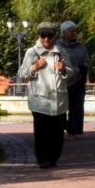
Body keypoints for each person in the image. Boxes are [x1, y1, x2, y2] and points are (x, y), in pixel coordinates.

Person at [13, 25, 70, 169]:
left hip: (59, 100)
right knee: (42, 133)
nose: (46, 39)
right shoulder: (32, 52)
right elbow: (22, 74)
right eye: (43, 36)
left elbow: (72, 71)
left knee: (57, 133)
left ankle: (53, 159)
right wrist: (34, 67)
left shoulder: (61, 52)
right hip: (40, 100)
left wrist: (64, 69)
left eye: (49, 36)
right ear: (39, 36)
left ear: (54, 36)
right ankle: (43, 160)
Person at [57, 20, 91, 139]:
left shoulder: (81, 47)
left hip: (78, 80)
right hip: (61, 81)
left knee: (76, 107)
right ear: (63, 32)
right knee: (59, 107)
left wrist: (79, 69)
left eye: (75, 31)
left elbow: (87, 62)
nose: (74, 33)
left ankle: (73, 131)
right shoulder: (57, 46)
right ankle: (61, 128)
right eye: (71, 31)